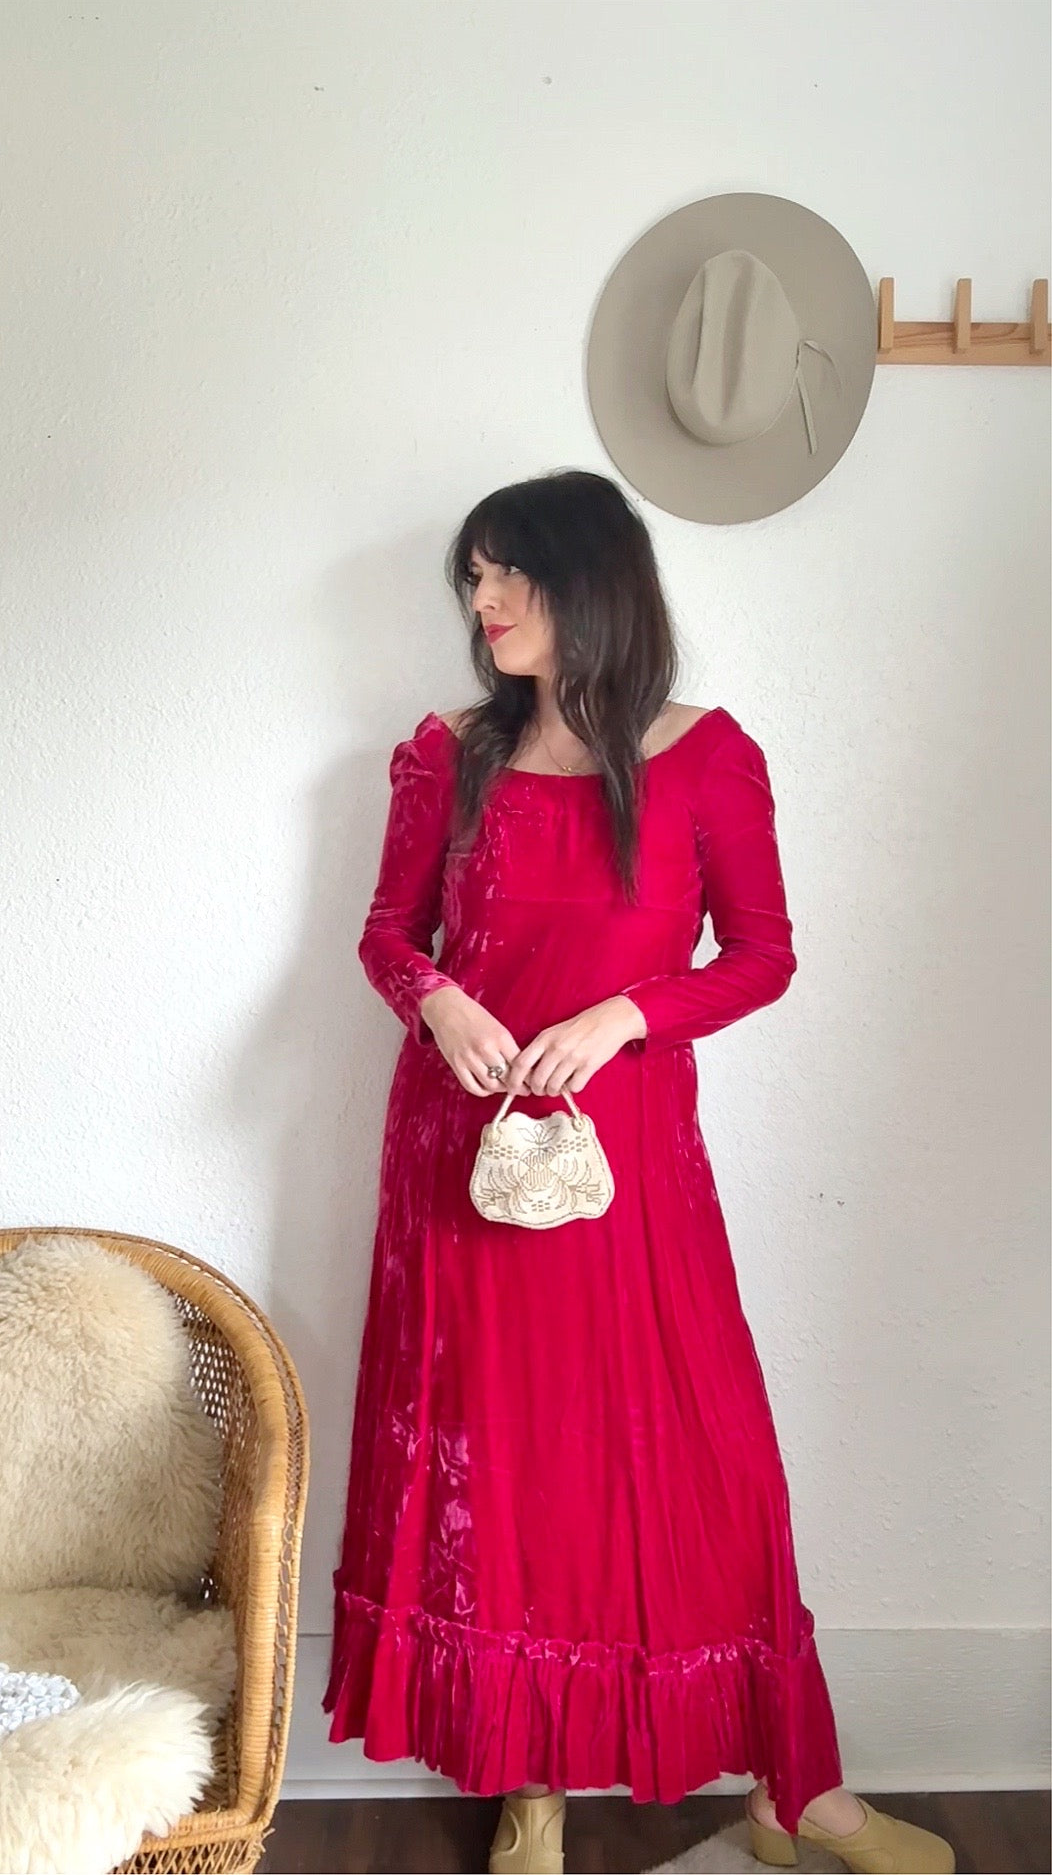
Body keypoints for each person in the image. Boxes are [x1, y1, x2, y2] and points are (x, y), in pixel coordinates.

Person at [323, 470, 954, 1875]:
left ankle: (796, 1789)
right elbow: (386, 934)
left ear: (591, 582)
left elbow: (764, 955)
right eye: (472, 577)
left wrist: (624, 1016)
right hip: (462, 1164)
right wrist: (436, 997)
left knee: (711, 1462)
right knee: (508, 1473)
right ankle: (529, 1782)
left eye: (507, 573)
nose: (482, 601)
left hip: (633, 1170)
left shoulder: (709, 757)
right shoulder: (446, 753)